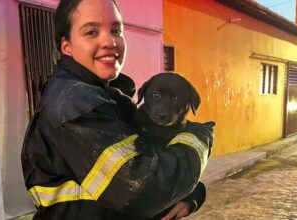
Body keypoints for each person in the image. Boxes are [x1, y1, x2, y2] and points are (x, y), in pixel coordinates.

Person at [21, 0, 214, 219]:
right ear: (67, 46)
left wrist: (190, 193)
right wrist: (199, 138)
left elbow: (151, 159)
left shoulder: (105, 96)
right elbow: (141, 189)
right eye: (91, 32)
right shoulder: (75, 104)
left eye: (116, 30)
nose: (109, 41)